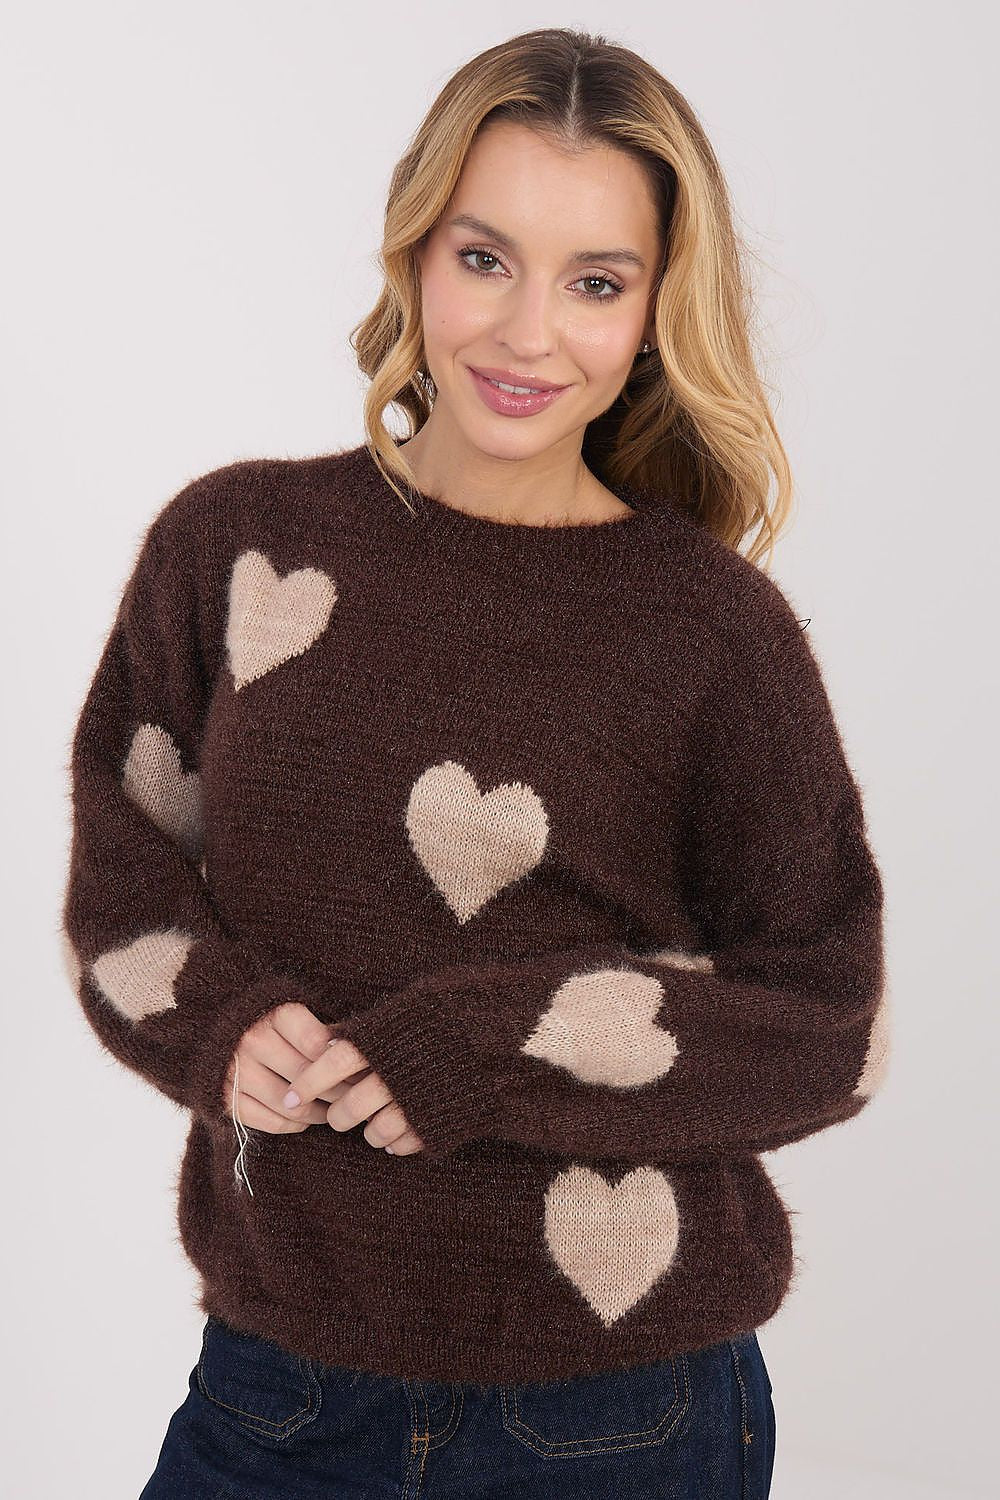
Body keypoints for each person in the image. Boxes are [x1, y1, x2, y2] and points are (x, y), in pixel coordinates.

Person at [61, 25, 889, 1499]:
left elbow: (827, 1020)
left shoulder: (711, 630)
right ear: (414, 253)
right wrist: (219, 1026)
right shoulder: (236, 547)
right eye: (485, 257)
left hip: (621, 1414)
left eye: (596, 282)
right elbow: (126, 865)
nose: (526, 334)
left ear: (657, 311)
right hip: (278, 1387)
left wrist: (490, 1051)